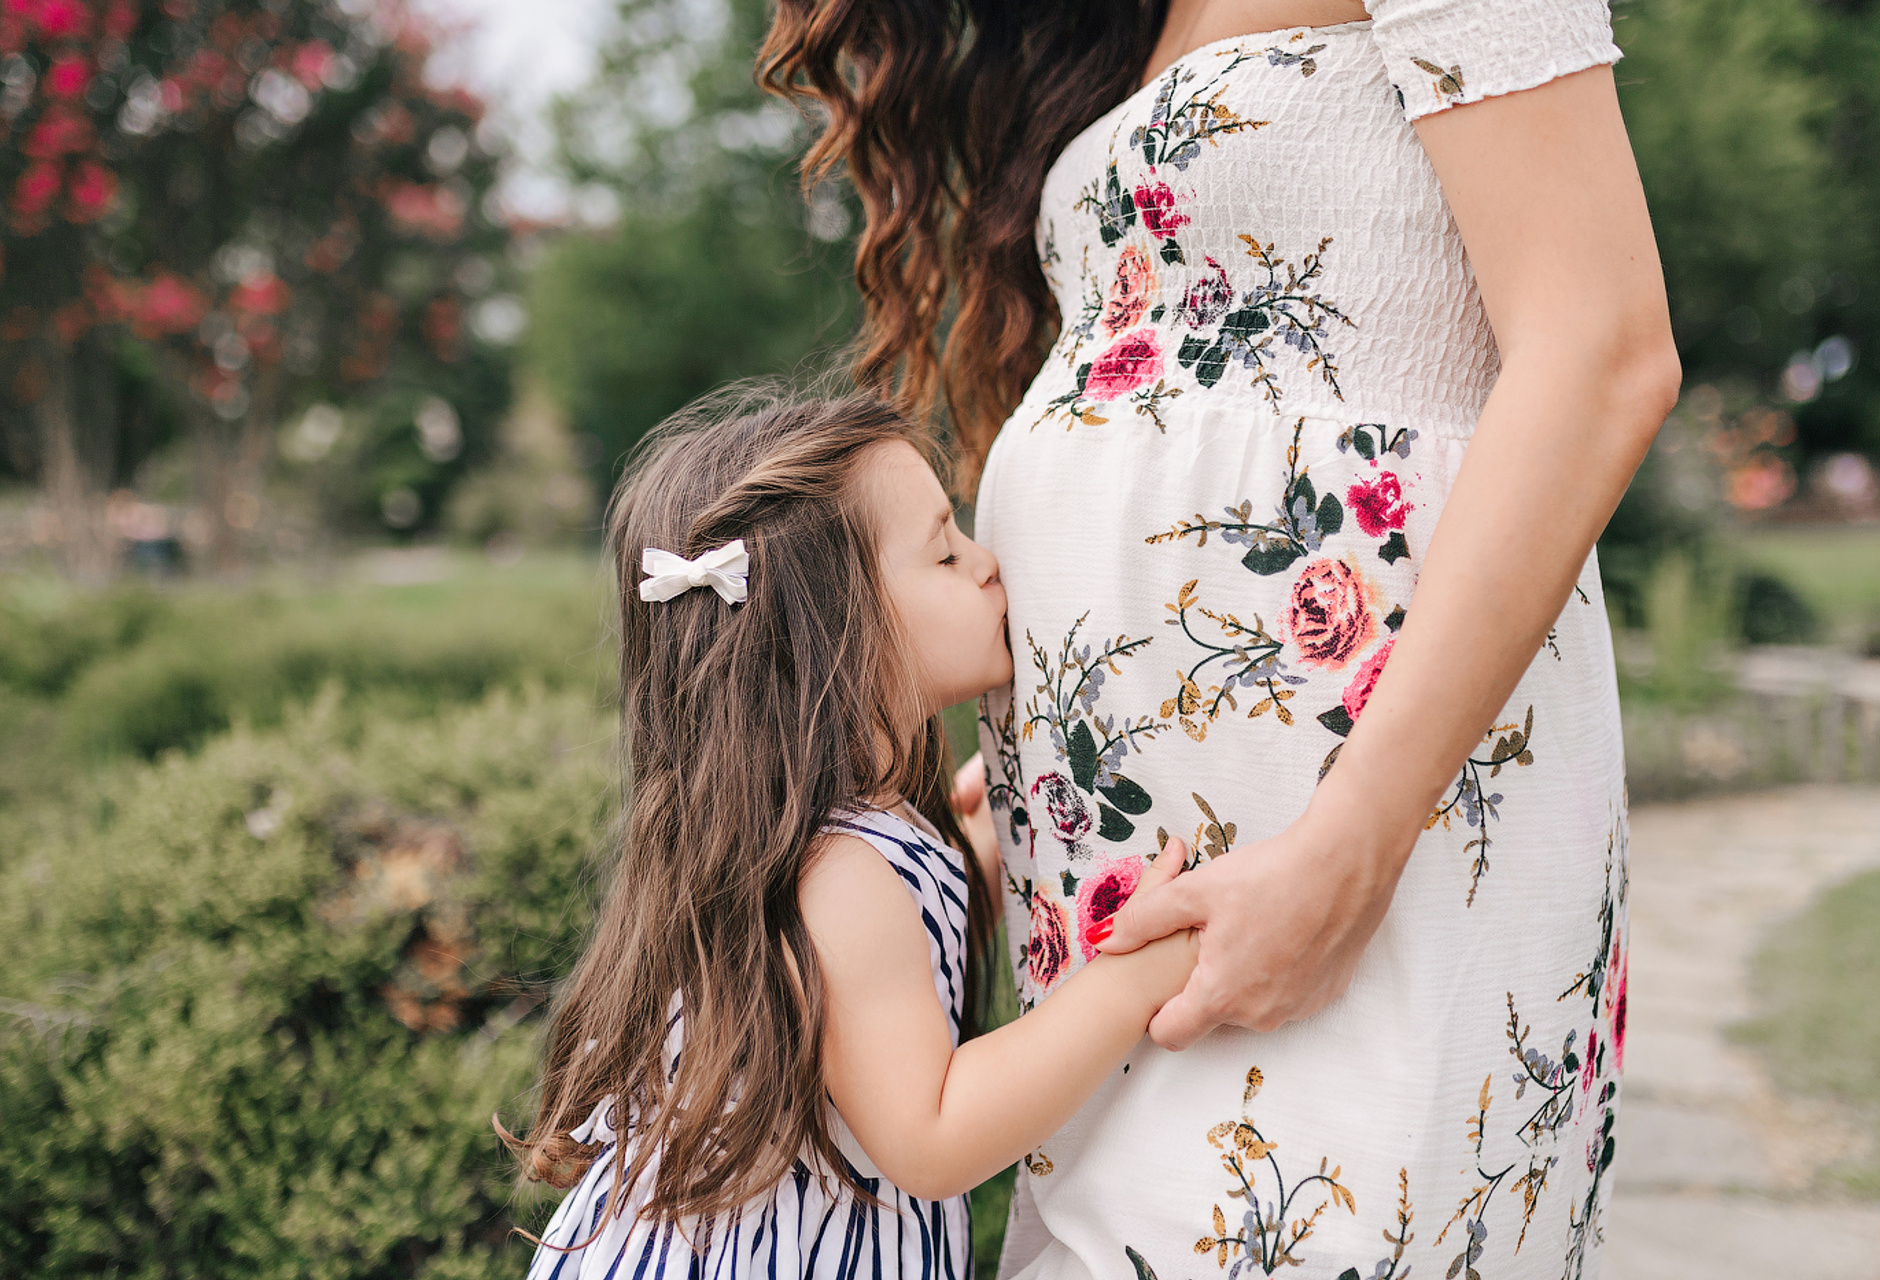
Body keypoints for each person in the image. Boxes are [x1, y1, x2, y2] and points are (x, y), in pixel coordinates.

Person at [759, 0, 1678, 1276]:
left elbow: (1604, 350)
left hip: (1366, 836)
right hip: (1126, 890)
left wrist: (1353, 844)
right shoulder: (1112, 24)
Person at [502, 386, 1199, 1280]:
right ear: (837, 630)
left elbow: (875, 992)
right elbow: (932, 1136)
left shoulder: (826, 837)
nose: (989, 564)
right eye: (945, 552)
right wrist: (1134, 979)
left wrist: (988, 858)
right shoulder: (838, 869)